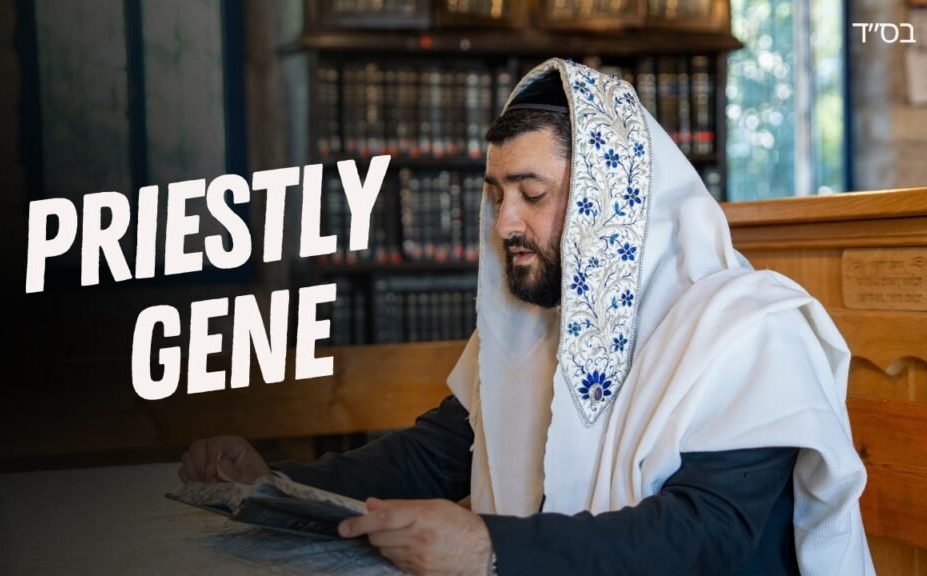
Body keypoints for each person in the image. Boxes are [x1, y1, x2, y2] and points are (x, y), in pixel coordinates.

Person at [179, 59, 873, 575]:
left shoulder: (751, 330)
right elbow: (434, 458)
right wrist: (278, 481)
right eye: (496, 194)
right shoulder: (534, 329)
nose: (505, 220)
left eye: (532, 193)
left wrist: (490, 547)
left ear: (614, 205)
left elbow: (705, 535)